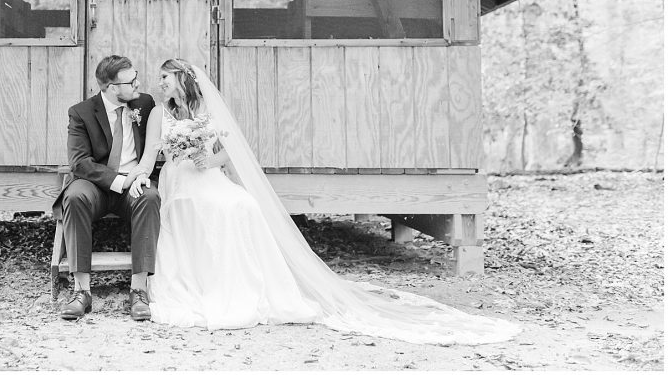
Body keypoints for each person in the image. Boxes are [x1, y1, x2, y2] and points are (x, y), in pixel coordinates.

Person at [129, 58, 521, 344]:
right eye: (160, 79)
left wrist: (208, 158)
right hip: (179, 182)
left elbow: (230, 151)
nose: (160, 83)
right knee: (201, 207)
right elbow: (149, 157)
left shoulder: (208, 111)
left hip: (208, 175)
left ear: (181, 79)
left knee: (241, 204)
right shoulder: (159, 115)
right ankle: (202, 283)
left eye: (165, 78)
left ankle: (246, 286)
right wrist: (140, 177)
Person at [53, 55, 160, 321]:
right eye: (131, 81)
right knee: (75, 196)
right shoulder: (81, 112)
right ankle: (81, 292)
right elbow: (79, 163)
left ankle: (138, 290)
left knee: (150, 196)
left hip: (134, 186)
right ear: (112, 88)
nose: (138, 84)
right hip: (96, 186)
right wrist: (120, 180)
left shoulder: (144, 104)